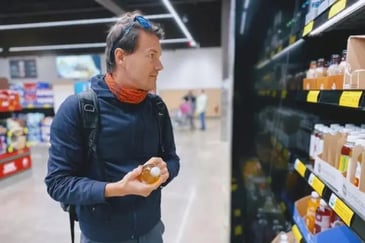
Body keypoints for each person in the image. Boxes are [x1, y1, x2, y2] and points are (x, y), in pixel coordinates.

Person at [45, 11, 180, 243]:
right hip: (102, 237)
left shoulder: (156, 108)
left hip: (152, 231)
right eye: (151, 55)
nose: (159, 66)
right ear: (121, 57)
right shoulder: (78, 110)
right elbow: (58, 183)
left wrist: (166, 170)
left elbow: (173, 159)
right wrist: (116, 188)